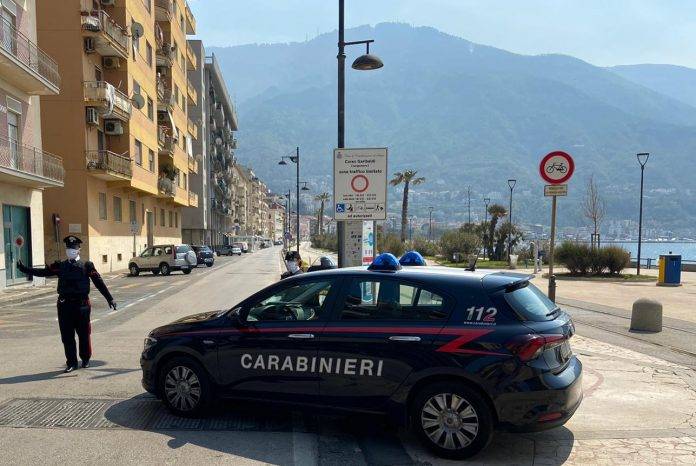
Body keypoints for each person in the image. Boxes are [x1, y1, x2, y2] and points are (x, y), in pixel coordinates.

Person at [17, 235, 116, 373]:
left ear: (79, 249)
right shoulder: (60, 266)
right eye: (69, 248)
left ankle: (85, 359)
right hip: (64, 306)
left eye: (74, 248)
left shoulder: (87, 266)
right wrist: (25, 269)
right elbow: (43, 272)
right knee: (67, 336)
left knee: (84, 334)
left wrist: (109, 298)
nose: (71, 250)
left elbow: (99, 282)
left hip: (82, 306)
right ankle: (71, 363)